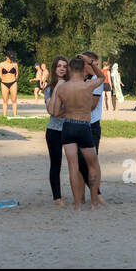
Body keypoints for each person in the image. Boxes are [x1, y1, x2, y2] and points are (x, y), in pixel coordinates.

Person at [47, 55, 106, 210]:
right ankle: (94, 203)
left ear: (70, 69)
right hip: (83, 126)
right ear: (82, 70)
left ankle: (78, 205)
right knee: (93, 166)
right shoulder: (88, 86)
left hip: (68, 127)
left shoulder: (63, 87)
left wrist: (66, 111)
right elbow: (102, 76)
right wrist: (91, 62)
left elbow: (53, 111)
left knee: (73, 167)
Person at [42, 56, 70, 205]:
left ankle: (84, 194)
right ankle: (57, 198)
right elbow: (51, 112)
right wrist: (58, 87)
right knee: (56, 163)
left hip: (71, 128)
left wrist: (60, 111)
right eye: (59, 66)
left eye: (65, 66)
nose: (61, 68)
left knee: (77, 162)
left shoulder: (72, 87)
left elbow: (74, 109)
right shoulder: (48, 89)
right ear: (54, 68)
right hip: (54, 130)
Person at [0, 51, 20, 116]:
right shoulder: (1, 64)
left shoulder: (15, 64)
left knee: (14, 100)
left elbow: (17, 73)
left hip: (13, 82)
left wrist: (14, 79)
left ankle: (15, 115)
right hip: (4, 83)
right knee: (5, 100)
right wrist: (3, 79)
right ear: (6, 57)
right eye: (10, 58)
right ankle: (4, 115)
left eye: (12, 58)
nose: (11, 59)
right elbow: (0, 73)